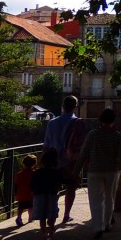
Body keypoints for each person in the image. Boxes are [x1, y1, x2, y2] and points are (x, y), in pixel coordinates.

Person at [74, 107, 121, 240]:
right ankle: (107, 223)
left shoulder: (92, 134)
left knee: (95, 199)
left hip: (94, 170)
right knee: (110, 198)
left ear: (100, 120)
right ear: (113, 121)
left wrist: (76, 171)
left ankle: (97, 227)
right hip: (112, 171)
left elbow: (83, 153)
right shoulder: (117, 136)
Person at [43, 95, 83, 224]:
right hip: (71, 161)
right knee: (70, 187)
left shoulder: (52, 123)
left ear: (62, 106)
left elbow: (46, 145)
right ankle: (66, 214)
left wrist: (42, 163)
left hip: (53, 161)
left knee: (53, 188)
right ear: (75, 107)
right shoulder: (79, 123)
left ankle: (51, 214)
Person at [30, 148, 62, 240]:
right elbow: (62, 181)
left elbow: (32, 184)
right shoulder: (56, 172)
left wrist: (33, 191)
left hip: (39, 194)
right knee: (52, 213)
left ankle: (43, 232)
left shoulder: (37, 172)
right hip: (52, 194)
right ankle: (51, 229)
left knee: (42, 215)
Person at [14, 153, 37, 227]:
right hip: (30, 193)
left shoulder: (20, 174)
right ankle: (30, 217)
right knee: (31, 206)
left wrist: (15, 194)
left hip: (21, 194)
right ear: (34, 164)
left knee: (20, 207)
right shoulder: (34, 173)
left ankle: (19, 217)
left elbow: (16, 184)